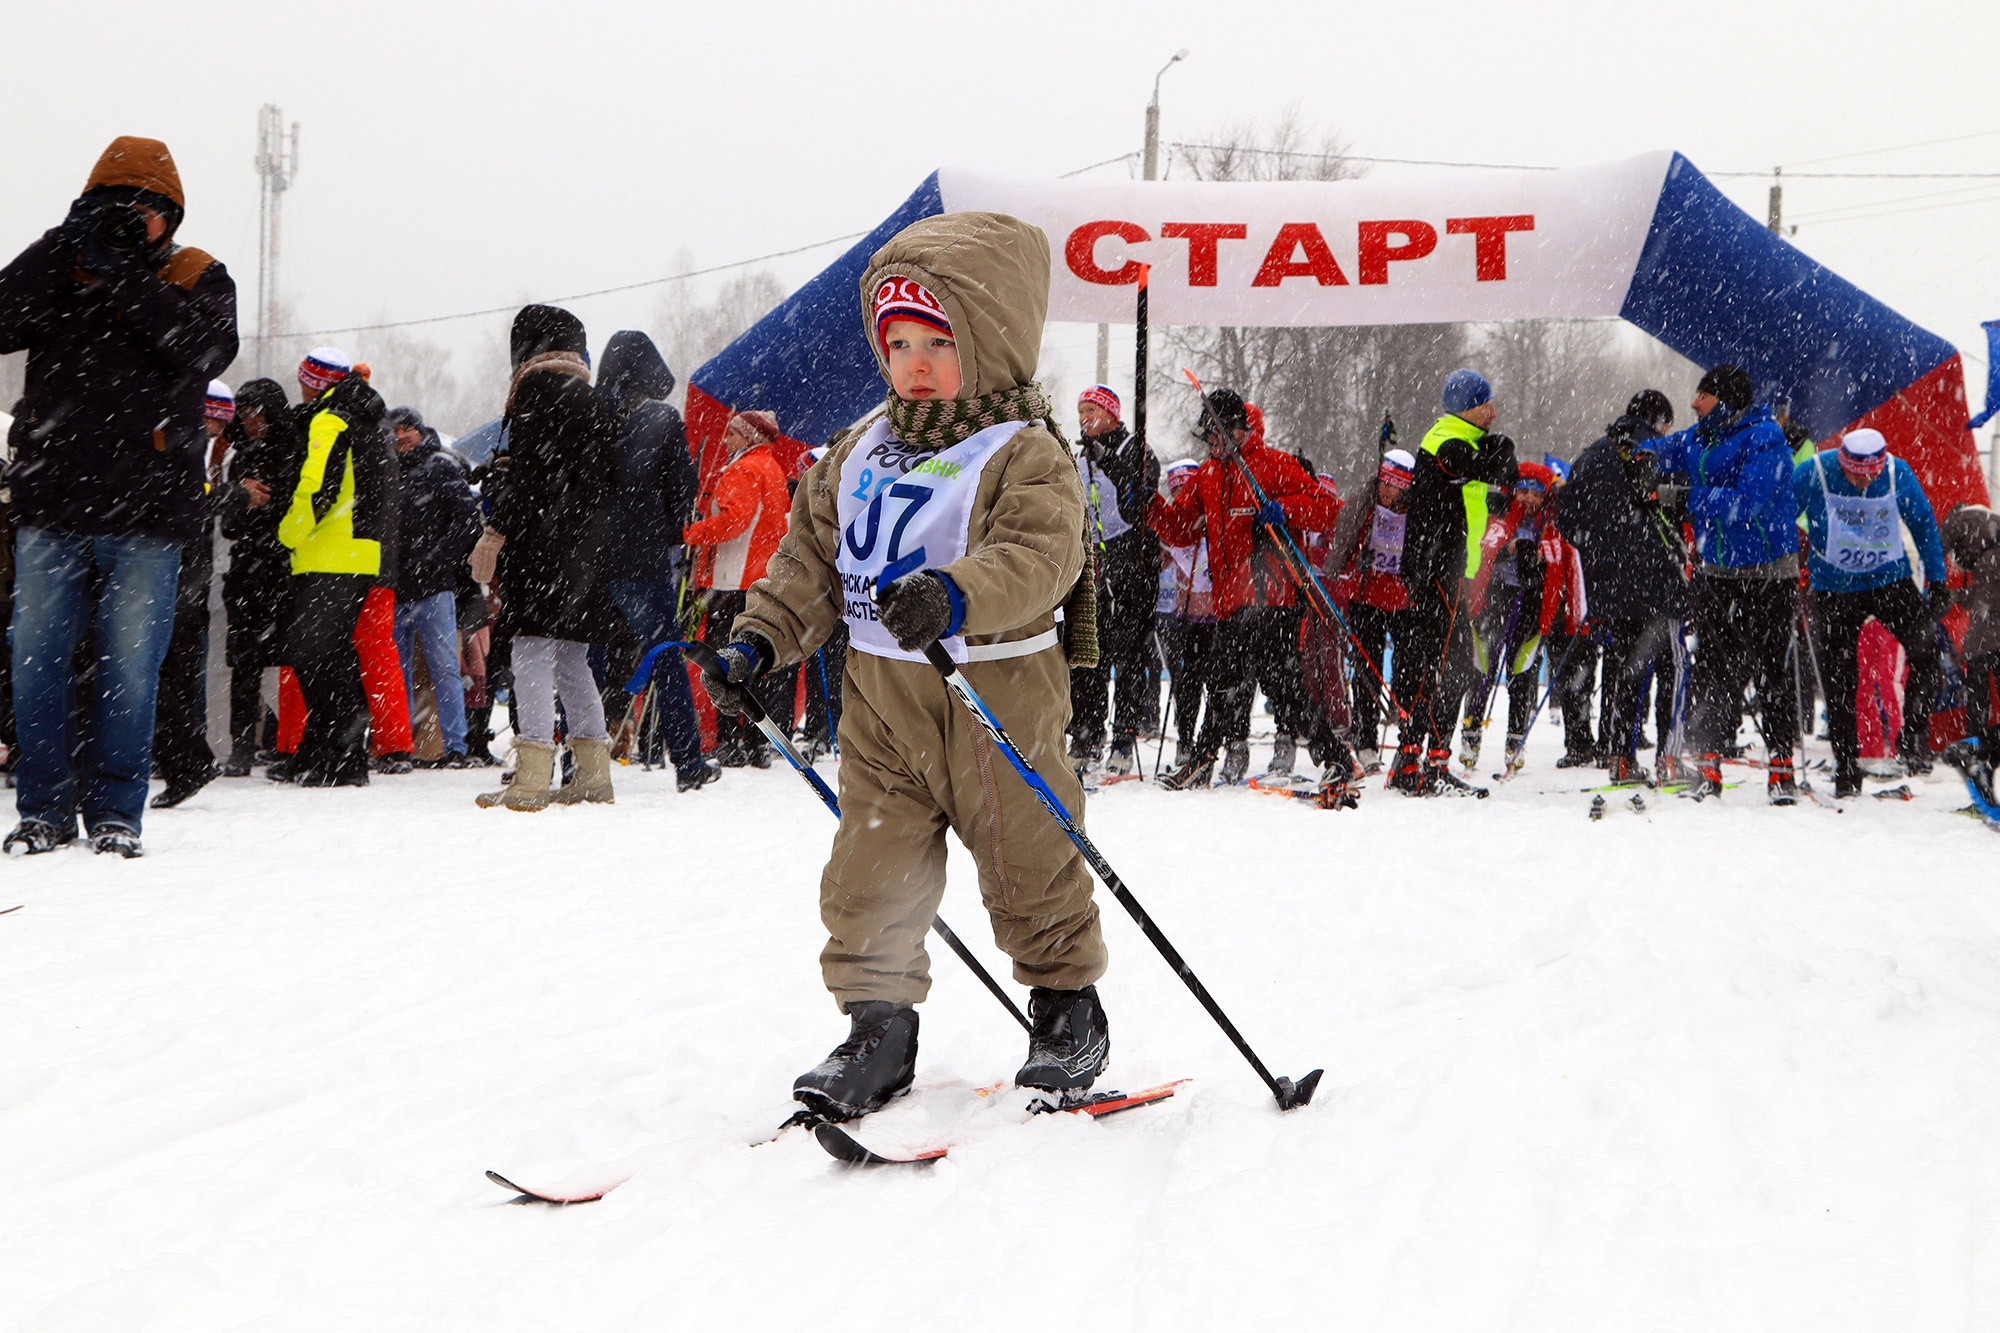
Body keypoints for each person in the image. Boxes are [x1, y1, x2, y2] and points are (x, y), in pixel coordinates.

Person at [702, 212, 1109, 1120]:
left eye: (938, 341)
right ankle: (878, 1027)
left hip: (992, 684)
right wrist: (759, 639)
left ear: (990, 340)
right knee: (872, 864)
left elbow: (1042, 555)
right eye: (897, 343)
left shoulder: (1023, 450)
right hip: (882, 695)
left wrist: (955, 592)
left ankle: (1066, 1010)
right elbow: (810, 560)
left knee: (1026, 854)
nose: (914, 363)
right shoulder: (858, 447)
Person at [1, 136, 238, 856]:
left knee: (129, 668)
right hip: (52, 500)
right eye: (110, 208)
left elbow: (203, 352)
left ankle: (115, 813)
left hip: (147, 510)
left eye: (143, 211)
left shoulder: (198, 274)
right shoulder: (61, 268)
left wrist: (127, 276)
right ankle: (42, 808)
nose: (127, 221)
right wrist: (59, 246)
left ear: (170, 216)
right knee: (35, 662)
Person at [1147, 389, 1340, 789]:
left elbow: (1327, 510)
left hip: (1274, 599)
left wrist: (1287, 510)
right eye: (1208, 437)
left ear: (1236, 430)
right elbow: (1181, 530)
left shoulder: (1273, 466)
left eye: (1216, 435)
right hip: (1232, 602)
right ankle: (1330, 756)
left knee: (1263, 687)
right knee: (1242, 686)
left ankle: (1331, 757)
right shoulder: (1208, 475)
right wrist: (1149, 503)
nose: (1211, 444)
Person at [475, 304, 622, 811]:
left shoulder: (537, 392)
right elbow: (605, 480)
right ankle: (592, 774)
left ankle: (533, 773)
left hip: (543, 545)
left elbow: (530, 477)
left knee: (532, 651)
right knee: (573, 657)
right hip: (587, 551)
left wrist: (496, 531)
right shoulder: (594, 399)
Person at [1651, 364, 1800, 800]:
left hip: (1768, 573)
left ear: (1727, 401)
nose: (1693, 403)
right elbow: (1662, 447)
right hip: (1717, 572)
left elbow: (1746, 504)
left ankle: (1781, 771)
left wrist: (1684, 497)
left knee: (1772, 670)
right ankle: (1709, 767)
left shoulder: (1765, 437)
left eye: (1703, 395)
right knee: (1713, 669)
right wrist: (1631, 442)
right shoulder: (1699, 436)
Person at [1792, 428, 1947, 799]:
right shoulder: (1815, 471)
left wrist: (1937, 579)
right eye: (1857, 475)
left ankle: (1912, 737)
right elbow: (1782, 517)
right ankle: (1847, 769)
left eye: (1872, 475)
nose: (1865, 481)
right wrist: (1783, 571)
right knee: (1840, 680)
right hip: (1834, 588)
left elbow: (1923, 524)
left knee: (1928, 653)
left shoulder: (1896, 473)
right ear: (1842, 463)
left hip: (1888, 580)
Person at [1390, 369, 1518, 796]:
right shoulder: (1447, 440)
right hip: (1435, 568)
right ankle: (1424, 762)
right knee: (1447, 663)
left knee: (1443, 662)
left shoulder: (1459, 438)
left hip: (1445, 568)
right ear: (1469, 407)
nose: (1495, 413)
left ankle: (1417, 759)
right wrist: (1503, 452)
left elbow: (1495, 482)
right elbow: (1485, 465)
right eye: (1488, 405)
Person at [597, 330, 713, 791]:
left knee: (587, 659)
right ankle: (687, 761)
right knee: (665, 656)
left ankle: (575, 756)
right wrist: (664, 533)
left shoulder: (594, 415)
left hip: (594, 558)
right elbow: (683, 491)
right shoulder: (663, 419)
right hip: (643, 557)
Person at [1555, 390, 1689, 781]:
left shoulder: (1593, 453)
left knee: (1624, 668)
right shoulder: (1658, 451)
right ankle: (1670, 758)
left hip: (1609, 584)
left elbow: (1566, 515)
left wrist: (1597, 550)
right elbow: (1679, 504)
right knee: (1672, 666)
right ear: (1658, 420)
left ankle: (1620, 757)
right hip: (1657, 581)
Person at [277, 364, 395, 787]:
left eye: (304, 382)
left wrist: (288, 534)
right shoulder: (370, 419)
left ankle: (339, 754)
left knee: (312, 655)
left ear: (316, 385)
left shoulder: (330, 419)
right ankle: (329, 750)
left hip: (327, 550)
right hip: (359, 552)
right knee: (332, 656)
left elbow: (316, 486)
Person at [683, 409, 795, 767]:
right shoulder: (772, 467)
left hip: (733, 579)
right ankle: (761, 740)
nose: (726, 440)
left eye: (732, 434)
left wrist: (692, 532)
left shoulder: (742, 469)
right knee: (759, 660)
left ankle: (730, 741)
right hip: (765, 578)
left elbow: (734, 521)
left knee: (724, 665)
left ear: (748, 437)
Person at [147, 380, 235, 809]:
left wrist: (224, 496)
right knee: (175, 669)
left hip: (179, 567)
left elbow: (188, 498)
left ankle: (185, 759)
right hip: (185, 568)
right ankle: (185, 758)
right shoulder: (192, 443)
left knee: (170, 668)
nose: (214, 424)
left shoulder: (187, 443)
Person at [1066, 384, 1160, 776]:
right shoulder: (1080, 456)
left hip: (1132, 567)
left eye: (1092, 410)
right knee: (1089, 655)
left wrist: (1110, 463)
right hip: (1094, 566)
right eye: (1080, 411)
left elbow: (1141, 499)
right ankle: (1086, 735)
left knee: (1128, 656)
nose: (1084, 419)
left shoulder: (1134, 451)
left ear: (1112, 413)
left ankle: (1124, 737)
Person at [216, 378, 304, 775]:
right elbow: (231, 525)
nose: (250, 421)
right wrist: (241, 497)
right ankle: (241, 747)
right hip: (247, 570)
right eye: (245, 414)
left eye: (256, 413)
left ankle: (286, 741)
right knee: (245, 663)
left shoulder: (294, 450)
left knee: (290, 660)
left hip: (283, 567)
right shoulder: (241, 456)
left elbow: (295, 507)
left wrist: (263, 508)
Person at [388, 406, 481, 767]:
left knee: (444, 667)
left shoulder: (440, 468)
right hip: (396, 586)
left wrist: (438, 556)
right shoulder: (387, 471)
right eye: (394, 431)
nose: (400, 436)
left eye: (407, 429)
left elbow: (467, 522)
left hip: (434, 586)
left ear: (421, 431)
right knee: (397, 670)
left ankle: (456, 746)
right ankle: (402, 745)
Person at [1329, 448, 1417, 773]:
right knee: (1367, 671)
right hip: (1366, 597)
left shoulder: (1414, 509)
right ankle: (1365, 741)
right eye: (1385, 483)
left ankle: (1408, 735)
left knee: (1408, 670)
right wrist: (1353, 563)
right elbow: (1345, 539)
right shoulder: (1364, 502)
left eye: (1395, 486)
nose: (1388, 492)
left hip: (1401, 599)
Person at [1940, 503, 2000, 806]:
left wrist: (1951, 595)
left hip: (1984, 647)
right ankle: (1978, 757)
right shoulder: (1988, 535)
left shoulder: (1967, 528)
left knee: (1978, 704)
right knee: (1981, 704)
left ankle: (1975, 752)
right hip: (1987, 645)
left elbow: (1936, 548)